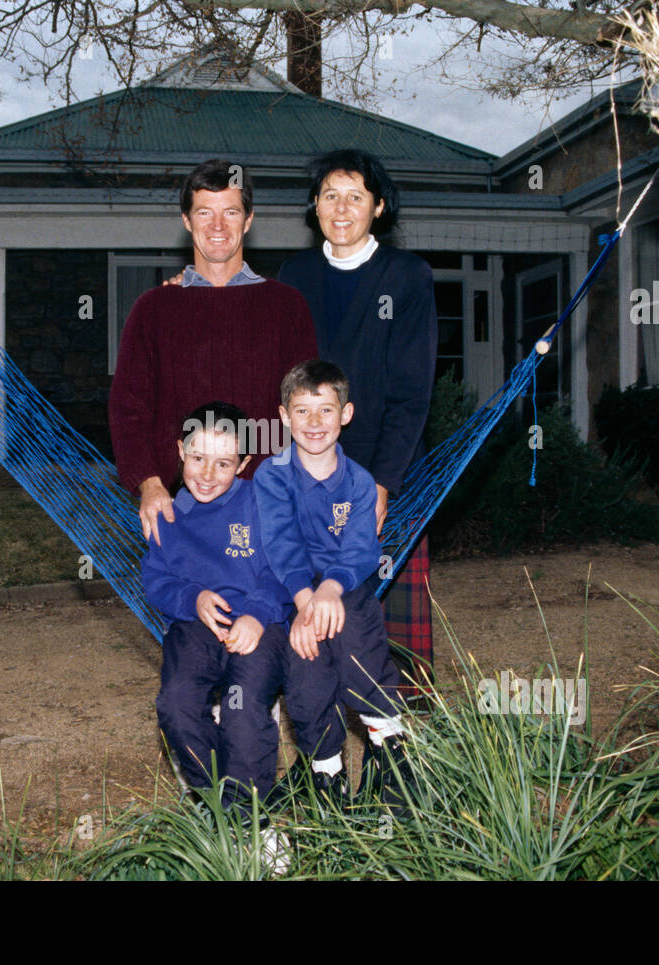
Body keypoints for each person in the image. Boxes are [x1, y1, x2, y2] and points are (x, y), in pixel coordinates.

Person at [277, 150, 438, 698]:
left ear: (379, 206)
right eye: (329, 195)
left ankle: (403, 756)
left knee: (392, 628)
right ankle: (320, 753)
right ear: (314, 206)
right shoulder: (294, 276)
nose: (341, 208)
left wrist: (383, 483)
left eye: (355, 196)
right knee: (315, 618)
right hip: (311, 473)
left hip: (386, 474)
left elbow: (413, 394)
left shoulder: (408, 277)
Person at [108, 158, 318, 547]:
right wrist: (150, 486)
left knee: (268, 610)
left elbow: (305, 411)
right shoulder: (153, 309)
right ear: (187, 221)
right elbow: (128, 409)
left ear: (249, 219)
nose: (217, 226)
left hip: (267, 509)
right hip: (179, 510)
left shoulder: (287, 306)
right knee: (188, 607)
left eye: (231, 212)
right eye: (205, 212)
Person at [254, 360, 410, 805]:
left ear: (347, 413)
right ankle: (326, 773)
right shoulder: (272, 476)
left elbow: (361, 550)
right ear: (283, 417)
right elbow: (280, 547)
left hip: (345, 585)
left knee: (357, 643)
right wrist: (307, 602)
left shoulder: (360, 482)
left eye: (326, 410)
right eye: (302, 411)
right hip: (290, 591)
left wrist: (330, 590)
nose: (314, 422)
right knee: (305, 675)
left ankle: (390, 752)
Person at [143, 402, 291, 805]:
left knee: (241, 706)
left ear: (243, 465)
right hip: (195, 628)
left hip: (261, 626)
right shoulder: (167, 516)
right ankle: (216, 800)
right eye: (198, 458)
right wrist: (193, 597)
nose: (207, 475)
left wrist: (258, 616)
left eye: (223, 464)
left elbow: (284, 571)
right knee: (176, 704)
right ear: (180, 451)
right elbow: (156, 582)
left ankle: (248, 814)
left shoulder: (262, 505)